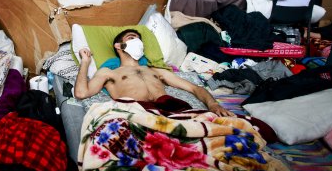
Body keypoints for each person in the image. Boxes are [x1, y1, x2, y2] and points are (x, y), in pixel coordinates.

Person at [74, 28, 235, 117]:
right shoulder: (109, 72)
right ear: (118, 46)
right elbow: (81, 93)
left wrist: (213, 104)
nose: (137, 42)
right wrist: (85, 63)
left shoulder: (156, 71)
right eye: (131, 38)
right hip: (135, 112)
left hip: (170, 109)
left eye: (139, 40)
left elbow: (195, 88)